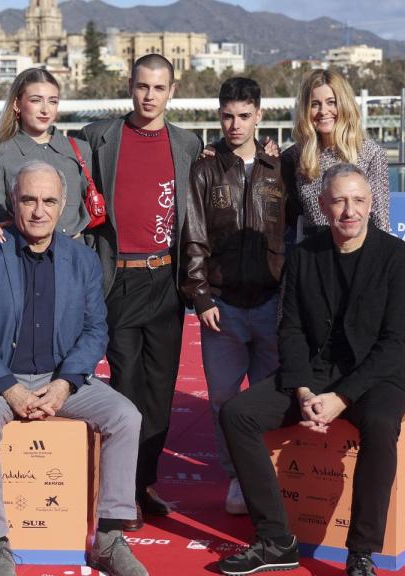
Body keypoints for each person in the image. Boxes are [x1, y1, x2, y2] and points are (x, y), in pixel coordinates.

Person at [0, 161, 148, 576]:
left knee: (126, 416)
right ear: (12, 201)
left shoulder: (81, 260)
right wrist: (8, 387)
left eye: (49, 200)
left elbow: (94, 329)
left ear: (63, 204)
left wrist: (66, 383)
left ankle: (108, 537)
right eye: (28, 199)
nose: (38, 210)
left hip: (58, 378)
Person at [217, 164, 405, 576]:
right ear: (324, 205)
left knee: (381, 424)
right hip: (314, 373)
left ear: (371, 205)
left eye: (359, 200)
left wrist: (342, 398)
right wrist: (306, 392)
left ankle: (361, 552)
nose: (350, 210)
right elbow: (289, 328)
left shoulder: (399, 258)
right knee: (236, 414)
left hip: (377, 376)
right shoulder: (305, 255)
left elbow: (396, 344)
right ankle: (275, 540)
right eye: (340, 201)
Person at [79, 54, 204, 531]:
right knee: (127, 387)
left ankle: (144, 483)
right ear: (129, 87)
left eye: (159, 88)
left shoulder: (188, 143)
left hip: (166, 279)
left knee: (159, 388)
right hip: (117, 279)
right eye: (142, 87)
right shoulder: (99, 138)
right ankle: (121, 492)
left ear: (172, 91)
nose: (149, 96)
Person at [180, 77, 288, 516]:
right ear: (218, 114)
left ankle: (266, 474)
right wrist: (200, 296)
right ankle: (237, 477)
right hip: (221, 307)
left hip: (270, 304)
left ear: (259, 115)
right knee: (223, 398)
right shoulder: (205, 168)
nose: (235, 124)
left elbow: (293, 233)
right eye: (227, 115)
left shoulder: (280, 167)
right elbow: (194, 237)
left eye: (244, 116)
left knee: (267, 397)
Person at [0, 68, 94, 241]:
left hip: (76, 256)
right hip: (24, 257)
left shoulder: (80, 149)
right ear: (17, 104)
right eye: (36, 100)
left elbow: (90, 204)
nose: (45, 110)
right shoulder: (0, 155)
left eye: (53, 101)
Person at [281, 69, 390, 237]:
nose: (323, 111)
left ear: (344, 105)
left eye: (331, 102)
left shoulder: (371, 154)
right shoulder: (293, 156)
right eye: (315, 104)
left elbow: (381, 221)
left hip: (357, 254)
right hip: (313, 254)